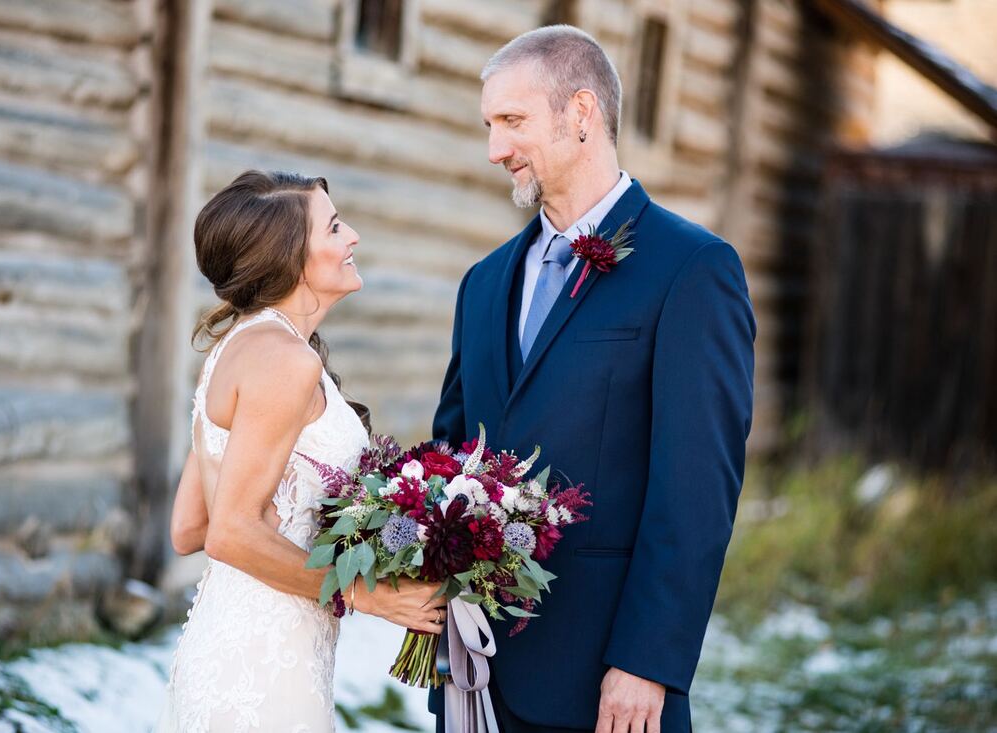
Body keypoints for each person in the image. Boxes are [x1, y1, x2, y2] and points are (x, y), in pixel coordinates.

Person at [431, 26, 756, 733]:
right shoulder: (483, 284)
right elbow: (453, 451)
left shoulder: (692, 271)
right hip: (474, 673)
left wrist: (649, 661)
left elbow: (696, 490)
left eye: (511, 122)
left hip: (607, 684)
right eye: (489, 125)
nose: (495, 148)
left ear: (581, 115)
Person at [156, 171, 447, 732]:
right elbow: (228, 533)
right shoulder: (286, 363)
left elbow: (189, 527)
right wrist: (370, 593)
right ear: (289, 257)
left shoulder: (239, 348)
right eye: (335, 227)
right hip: (265, 670)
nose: (353, 236)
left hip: (231, 649)